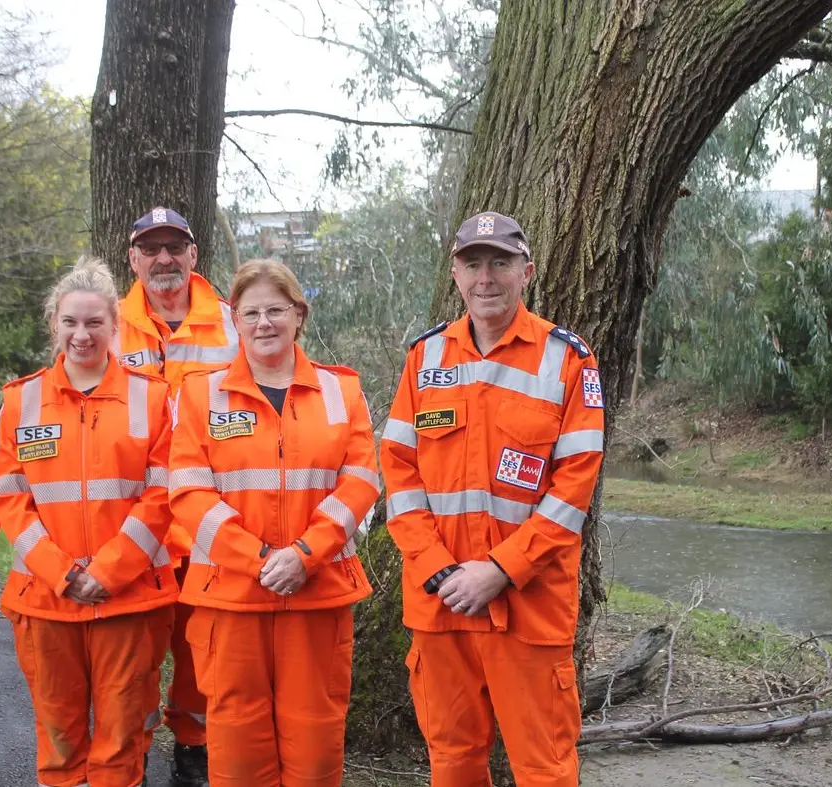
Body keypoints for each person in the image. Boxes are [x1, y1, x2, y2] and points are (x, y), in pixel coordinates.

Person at [381, 212, 606, 787]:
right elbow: (399, 476)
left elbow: (573, 491)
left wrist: (502, 570)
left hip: (529, 608)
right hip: (443, 605)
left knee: (545, 769)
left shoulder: (568, 360)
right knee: (452, 762)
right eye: (474, 263)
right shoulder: (424, 360)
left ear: (525, 273)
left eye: (500, 263)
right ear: (455, 273)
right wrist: (437, 570)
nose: (487, 277)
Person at [168, 258, 378, 787]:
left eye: (275, 310)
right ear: (234, 321)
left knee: (315, 748)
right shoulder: (199, 394)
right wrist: (259, 561)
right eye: (250, 312)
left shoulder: (342, 391)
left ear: (298, 316)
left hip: (318, 595)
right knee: (238, 752)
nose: (264, 323)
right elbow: (188, 493)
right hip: (231, 600)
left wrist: (306, 555)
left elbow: (360, 484)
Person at [0, 257, 177, 787]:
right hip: (46, 600)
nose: (82, 334)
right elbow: (9, 496)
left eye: (95, 322)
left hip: (130, 597)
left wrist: (110, 571)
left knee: (122, 739)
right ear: (53, 322)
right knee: (59, 738)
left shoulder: (155, 396)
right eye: (70, 321)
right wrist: (63, 574)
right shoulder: (19, 401)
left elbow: (164, 494)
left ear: (115, 327)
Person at [117, 206, 237, 786]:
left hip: (211, 521)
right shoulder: (104, 326)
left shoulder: (237, 324)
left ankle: (193, 749)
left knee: (203, 654)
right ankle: (133, 751)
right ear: (133, 258)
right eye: (151, 248)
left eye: (175, 247)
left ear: (193, 255)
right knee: (134, 659)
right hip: (135, 528)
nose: (163, 258)